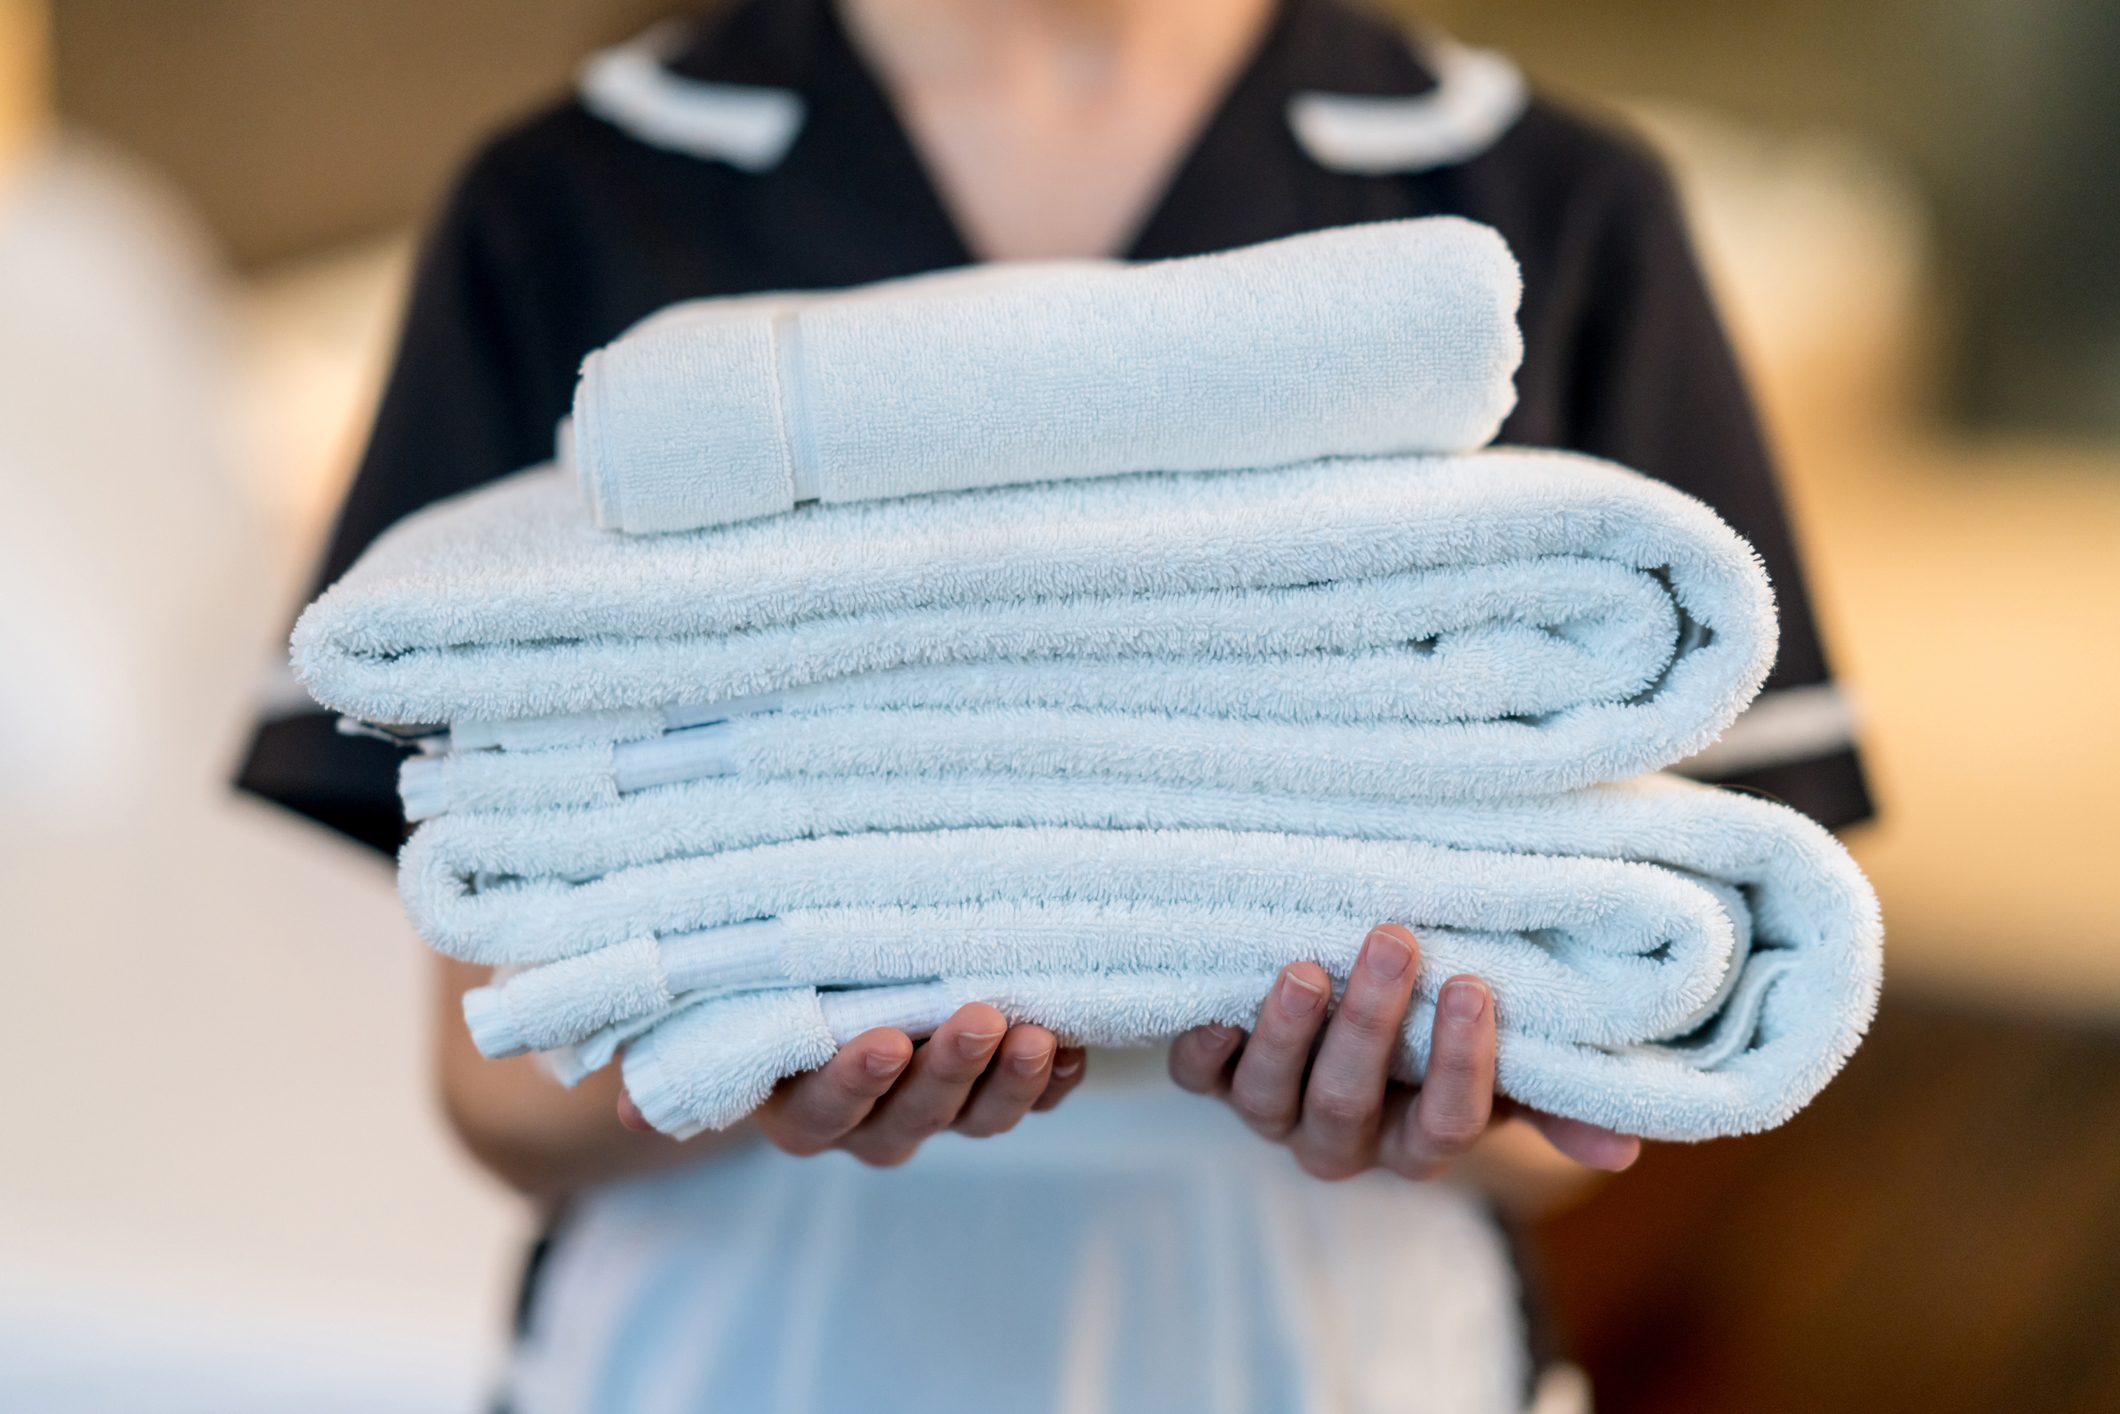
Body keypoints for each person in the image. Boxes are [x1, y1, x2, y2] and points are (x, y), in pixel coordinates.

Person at [235, 0, 1872, 1407]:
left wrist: (1429, 1101)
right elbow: (496, 1080)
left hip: (1332, 1343)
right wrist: (748, 1052)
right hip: (733, 1346)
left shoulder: (1551, 207)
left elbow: (1646, 1014)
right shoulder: (566, 200)